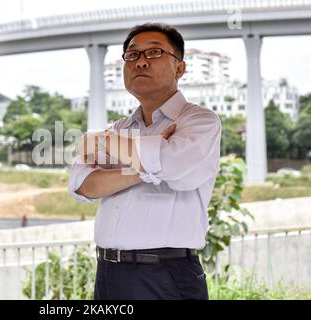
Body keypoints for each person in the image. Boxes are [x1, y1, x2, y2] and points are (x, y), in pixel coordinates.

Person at [68, 23, 222, 300]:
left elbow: (174, 166)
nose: (140, 62)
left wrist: (105, 144)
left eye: (154, 53)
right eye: (132, 55)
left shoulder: (199, 121)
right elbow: (83, 185)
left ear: (180, 68)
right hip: (108, 274)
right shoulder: (120, 128)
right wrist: (146, 166)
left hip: (166, 276)